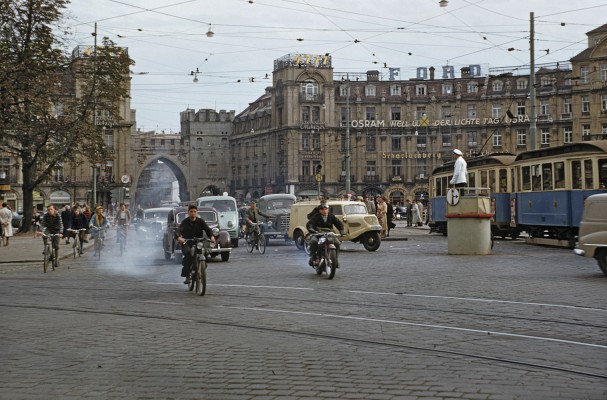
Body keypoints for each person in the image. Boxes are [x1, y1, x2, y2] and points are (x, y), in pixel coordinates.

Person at [176, 205, 215, 284]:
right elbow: (178, 231)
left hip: (198, 242)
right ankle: (187, 276)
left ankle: (202, 266)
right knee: (188, 254)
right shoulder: (184, 222)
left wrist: (212, 237)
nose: (193, 213)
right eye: (191, 212)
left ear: (197, 212)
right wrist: (179, 238)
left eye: (194, 212)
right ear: (188, 213)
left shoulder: (201, 221)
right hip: (187, 242)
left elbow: (208, 229)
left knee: (205, 252)